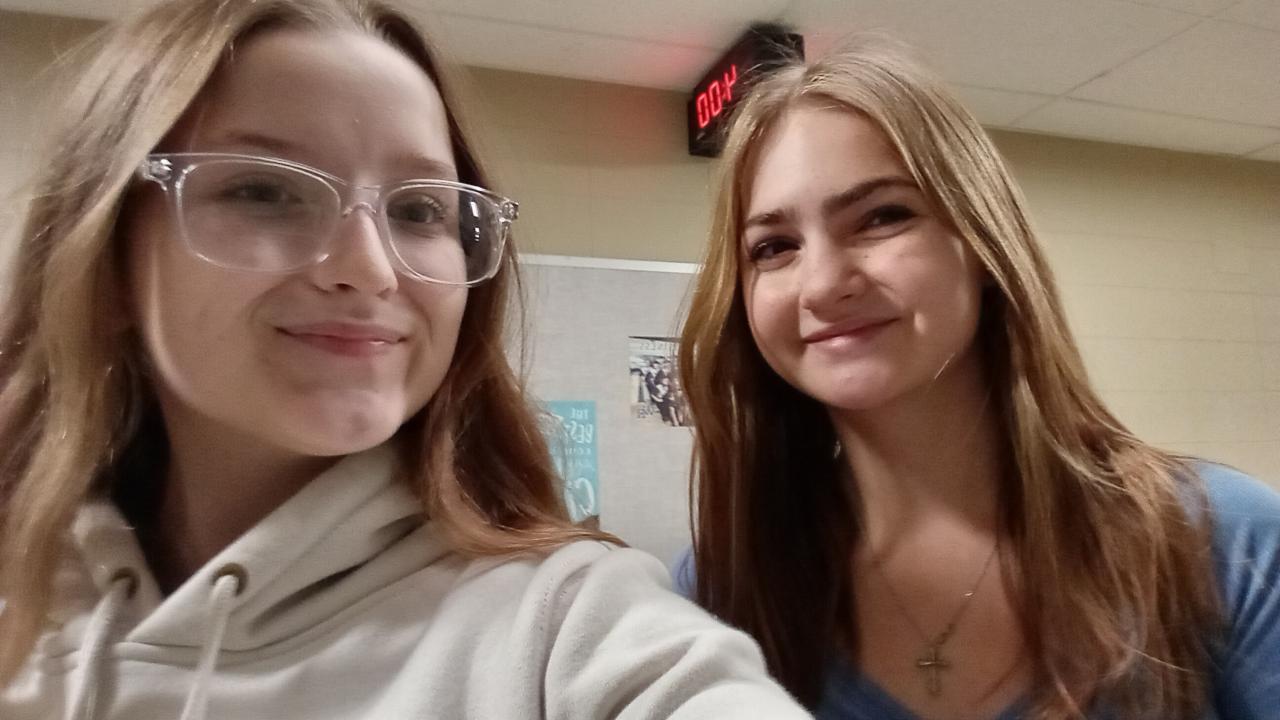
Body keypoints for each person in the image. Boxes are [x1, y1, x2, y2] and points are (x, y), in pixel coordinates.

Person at [0, 2, 813, 719]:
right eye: (265, 191)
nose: (369, 268)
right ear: (103, 261)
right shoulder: (27, 615)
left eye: (420, 209)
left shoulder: (567, 627)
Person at [674, 36, 1280, 720]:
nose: (822, 284)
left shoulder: (1225, 542)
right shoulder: (718, 589)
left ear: (984, 245)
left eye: (882, 217)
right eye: (774, 247)